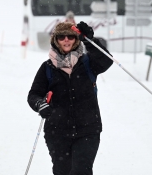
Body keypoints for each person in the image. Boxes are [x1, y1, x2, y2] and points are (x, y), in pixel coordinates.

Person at [27, 21, 113, 174]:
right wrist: (40, 104)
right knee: (62, 171)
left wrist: (90, 41)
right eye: (61, 37)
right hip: (57, 132)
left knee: (81, 170)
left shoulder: (87, 63)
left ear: (76, 39)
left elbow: (106, 61)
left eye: (71, 36)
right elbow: (33, 94)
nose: (66, 40)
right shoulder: (48, 67)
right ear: (56, 40)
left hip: (88, 130)